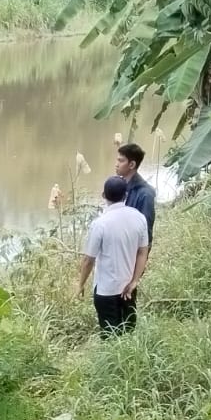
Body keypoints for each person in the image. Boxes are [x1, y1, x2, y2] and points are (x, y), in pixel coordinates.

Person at [77, 175, 151, 336]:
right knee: (129, 332)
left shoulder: (100, 224)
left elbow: (88, 260)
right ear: (126, 195)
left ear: (104, 196)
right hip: (129, 288)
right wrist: (134, 281)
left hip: (106, 291)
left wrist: (81, 284)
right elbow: (142, 252)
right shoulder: (139, 218)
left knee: (110, 337)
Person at [116, 141, 157, 246]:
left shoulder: (145, 194)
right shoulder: (121, 186)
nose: (116, 164)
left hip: (133, 252)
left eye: (121, 161)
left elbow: (146, 233)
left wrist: (140, 261)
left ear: (132, 164)